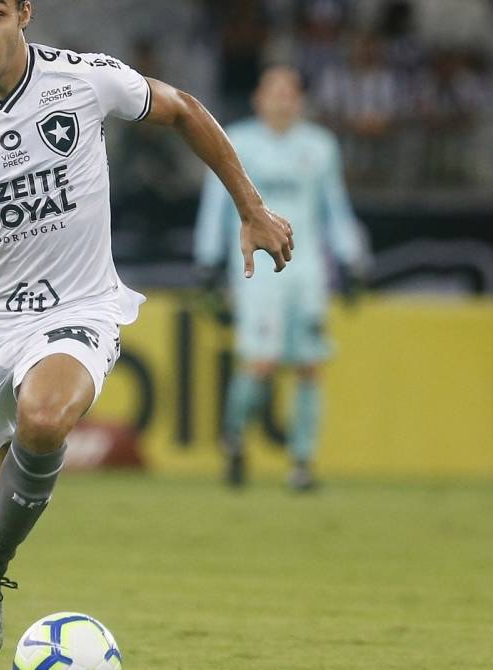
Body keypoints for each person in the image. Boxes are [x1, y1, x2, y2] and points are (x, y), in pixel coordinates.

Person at [0, 2, 294, 668]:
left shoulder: (84, 80)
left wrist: (251, 206)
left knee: (43, 419)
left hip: (79, 308)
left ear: (24, 12)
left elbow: (183, 110)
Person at [194, 65, 368, 493]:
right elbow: (217, 202)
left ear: (300, 101)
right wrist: (208, 259)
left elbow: (333, 207)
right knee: (261, 362)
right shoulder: (236, 141)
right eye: (274, 91)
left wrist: (350, 257)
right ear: (258, 98)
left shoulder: (320, 147)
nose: (282, 100)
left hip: (307, 272)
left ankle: (302, 463)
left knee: (310, 364)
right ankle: (235, 438)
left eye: (289, 92)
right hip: (256, 271)